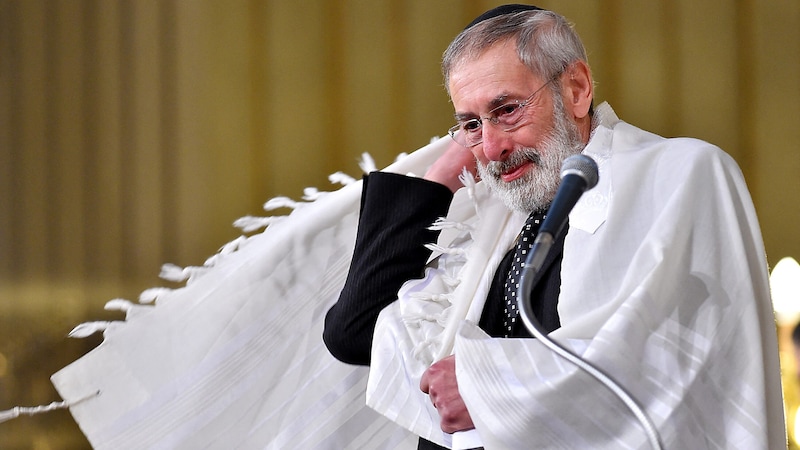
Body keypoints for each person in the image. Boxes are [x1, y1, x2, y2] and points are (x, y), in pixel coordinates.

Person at [324, 4, 785, 449]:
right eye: (470, 123)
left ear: (577, 89)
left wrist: (487, 388)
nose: (490, 146)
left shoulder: (678, 173)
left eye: (506, 110)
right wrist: (442, 175)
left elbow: (673, 372)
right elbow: (356, 331)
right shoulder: (493, 222)